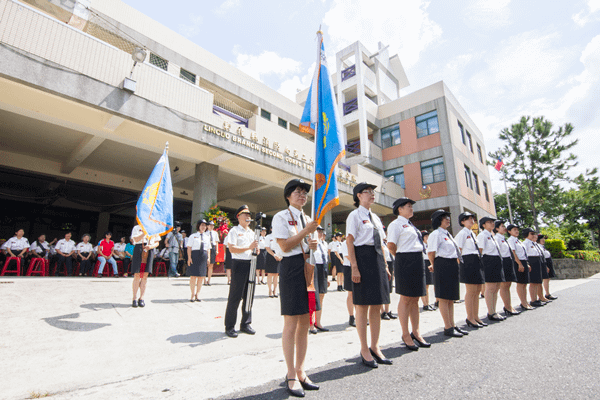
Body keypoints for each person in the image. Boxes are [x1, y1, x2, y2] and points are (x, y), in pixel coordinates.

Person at [272, 179, 320, 397]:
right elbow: (284, 245)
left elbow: (307, 246)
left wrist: (313, 245)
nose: (302, 195)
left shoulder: (308, 218)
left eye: (304, 193)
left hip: (308, 267)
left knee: (305, 322)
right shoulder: (281, 217)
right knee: (292, 322)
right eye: (298, 192)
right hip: (291, 267)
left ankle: (301, 370)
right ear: (288, 196)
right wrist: (305, 232)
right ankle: (290, 374)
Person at [346, 182, 392, 368]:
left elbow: (381, 243)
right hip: (362, 260)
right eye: (368, 192)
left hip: (378, 260)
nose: (372, 194)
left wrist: (386, 266)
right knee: (363, 306)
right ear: (358, 195)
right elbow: (350, 242)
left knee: (377, 305)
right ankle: (364, 348)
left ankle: (375, 346)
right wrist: (354, 267)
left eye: (373, 192)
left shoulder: (375, 217)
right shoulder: (354, 215)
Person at [387, 197, 429, 351]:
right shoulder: (396, 224)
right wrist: (401, 259)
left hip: (417, 260)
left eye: (411, 206)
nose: (411, 208)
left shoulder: (410, 225)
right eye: (408, 206)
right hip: (405, 260)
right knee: (405, 298)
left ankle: (416, 332)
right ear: (400, 209)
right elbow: (391, 245)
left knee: (415, 298)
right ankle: (405, 334)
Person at [427, 210, 467, 338]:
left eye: (448, 217)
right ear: (438, 220)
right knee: (444, 297)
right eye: (444, 217)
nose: (448, 219)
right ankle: (447, 327)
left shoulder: (448, 234)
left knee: (451, 298)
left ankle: (453, 324)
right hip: (442, 265)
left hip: (452, 265)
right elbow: (431, 252)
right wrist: (434, 265)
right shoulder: (436, 234)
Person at [224, 205, 259, 338]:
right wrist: (248, 247)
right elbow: (232, 249)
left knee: (249, 295)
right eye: (245, 214)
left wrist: (256, 249)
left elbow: (254, 248)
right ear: (239, 217)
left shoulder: (252, 232)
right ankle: (230, 326)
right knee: (235, 296)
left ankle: (245, 323)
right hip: (239, 264)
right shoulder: (234, 231)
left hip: (251, 264)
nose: (248, 217)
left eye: (249, 214)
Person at [455, 212, 486, 328]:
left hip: (476, 260)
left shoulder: (472, 234)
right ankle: (470, 317)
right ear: (462, 222)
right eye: (468, 219)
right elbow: (458, 250)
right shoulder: (462, 234)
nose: (471, 220)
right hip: (467, 262)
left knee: (477, 290)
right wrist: (462, 265)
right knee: (471, 290)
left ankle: (476, 316)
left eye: (472, 218)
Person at [477, 217, 505, 321]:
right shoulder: (482, 235)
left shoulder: (492, 236)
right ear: (483, 225)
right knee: (490, 287)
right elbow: (480, 251)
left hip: (496, 260)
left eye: (493, 222)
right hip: (488, 261)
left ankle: (494, 310)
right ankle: (491, 312)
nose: (492, 224)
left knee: (497, 287)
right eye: (489, 222)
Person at [495, 220, 520, 316]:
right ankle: (507, 306)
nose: (504, 227)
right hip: (503, 261)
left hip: (508, 261)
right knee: (504, 286)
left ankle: (509, 305)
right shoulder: (496, 238)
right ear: (497, 228)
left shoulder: (503, 238)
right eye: (501, 226)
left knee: (508, 285)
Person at [130, 225, 159, 307]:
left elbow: (157, 242)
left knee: (145, 275)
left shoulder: (154, 227)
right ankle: (134, 298)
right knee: (137, 275)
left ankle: (141, 298)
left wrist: (151, 246)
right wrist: (145, 233)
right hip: (139, 248)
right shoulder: (136, 227)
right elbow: (135, 239)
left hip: (149, 249)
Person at [506, 224, 533, 310]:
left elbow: (523, 253)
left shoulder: (518, 240)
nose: (517, 231)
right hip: (517, 262)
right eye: (514, 229)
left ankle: (525, 302)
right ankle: (523, 302)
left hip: (523, 261)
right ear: (509, 231)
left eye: (517, 229)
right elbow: (513, 253)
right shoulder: (510, 240)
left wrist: (526, 263)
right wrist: (519, 264)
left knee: (524, 283)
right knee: (520, 283)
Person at [311, 225, 330, 333]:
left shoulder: (324, 244)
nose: (320, 233)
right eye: (318, 231)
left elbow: (325, 259)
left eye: (321, 231)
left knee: (321, 296)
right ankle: (311, 324)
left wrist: (326, 276)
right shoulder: (313, 242)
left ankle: (318, 322)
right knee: (313, 297)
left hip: (322, 268)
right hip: (314, 267)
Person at [187, 219, 211, 302]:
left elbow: (208, 248)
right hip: (195, 256)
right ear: (198, 226)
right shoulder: (193, 236)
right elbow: (189, 247)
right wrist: (189, 258)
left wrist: (208, 258)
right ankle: (192, 294)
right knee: (193, 276)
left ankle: (198, 294)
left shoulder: (207, 237)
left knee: (201, 276)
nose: (203, 227)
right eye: (202, 225)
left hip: (203, 257)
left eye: (205, 225)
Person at [340, 236, 355, 327]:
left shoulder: (357, 240)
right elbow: (346, 255)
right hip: (349, 267)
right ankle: (351, 316)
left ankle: (360, 316)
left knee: (359, 292)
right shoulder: (345, 242)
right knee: (351, 293)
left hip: (358, 267)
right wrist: (356, 262)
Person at [420, 231, 437, 311]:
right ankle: (425, 304)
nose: (427, 238)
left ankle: (428, 303)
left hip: (429, 263)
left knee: (428, 285)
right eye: (425, 237)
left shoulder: (429, 245)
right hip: (423, 263)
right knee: (424, 285)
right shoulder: (420, 245)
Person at [380, 239, 397, 320]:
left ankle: (387, 311)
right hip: (382, 264)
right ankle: (382, 311)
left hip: (390, 264)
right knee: (381, 288)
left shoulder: (387, 243)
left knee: (388, 289)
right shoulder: (379, 242)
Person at [537, 235, 558, 300]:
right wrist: (545, 265)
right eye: (542, 239)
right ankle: (544, 295)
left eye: (544, 239)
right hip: (544, 262)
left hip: (548, 261)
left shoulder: (543, 247)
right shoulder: (538, 246)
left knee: (547, 279)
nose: (543, 240)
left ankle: (547, 293)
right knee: (544, 279)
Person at [265, 227, 282, 298]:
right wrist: (274, 255)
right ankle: (270, 290)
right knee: (270, 274)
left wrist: (280, 255)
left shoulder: (280, 236)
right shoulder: (268, 237)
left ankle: (275, 290)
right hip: (271, 255)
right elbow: (267, 247)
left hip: (279, 255)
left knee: (276, 274)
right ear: (271, 229)